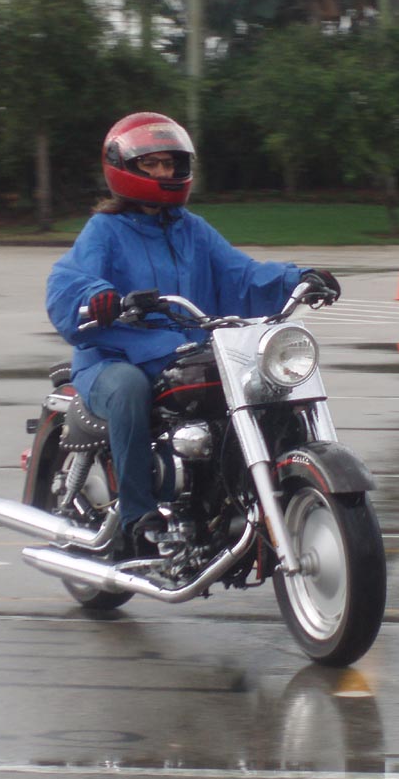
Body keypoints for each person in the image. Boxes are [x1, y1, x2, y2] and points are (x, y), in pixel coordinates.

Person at [46, 112, 341, 557]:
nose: (163, 172)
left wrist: (297, 279)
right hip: (113, 357)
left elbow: (242, 275)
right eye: (151, 164)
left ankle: (240, 497)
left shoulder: (193, 230)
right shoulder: (104, 231)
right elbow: (69, 281)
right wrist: (98, 299)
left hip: (184, 352)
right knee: (128, 389)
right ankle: (138, 519)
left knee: (260, 383)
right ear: (123, 168)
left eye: (170, 163)